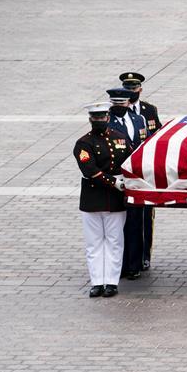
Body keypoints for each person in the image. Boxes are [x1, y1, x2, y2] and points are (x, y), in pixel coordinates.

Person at [72, 102, 133, 298]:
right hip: (93, 198)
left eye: (102, 117)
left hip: (115, 199)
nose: (99, 120)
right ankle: (97, 281)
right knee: (94, 243)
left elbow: (131, 160)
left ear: (108, 117)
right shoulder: (83, 143)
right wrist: (113, 182)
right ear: (90, 120)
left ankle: (112, 282)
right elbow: (89, 169)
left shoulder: (120, 138)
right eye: (95, 118)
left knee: (115, 242)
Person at [120, 72, 161, 271]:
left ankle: (145, 255)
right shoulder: (115, 113)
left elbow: (157, 136)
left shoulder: (149, 110)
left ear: (140, 89)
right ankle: (128, 257)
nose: (131, 92)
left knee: (146, 216)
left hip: (145, 173)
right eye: (127, 88)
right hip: (125, 171)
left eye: (134, 88)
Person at [107, 87, 148, 280]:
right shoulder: (106, 121)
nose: (118, 107)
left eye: (121, 104)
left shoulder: (139, 120)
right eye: (115, 104)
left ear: (128, 103)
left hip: (136, 178)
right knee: (117, 225)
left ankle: (134, 264)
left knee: (135, 222)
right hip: (117, 179)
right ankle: (118, 265)